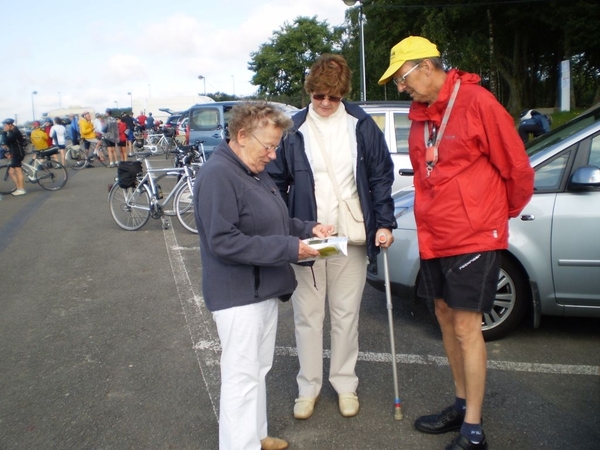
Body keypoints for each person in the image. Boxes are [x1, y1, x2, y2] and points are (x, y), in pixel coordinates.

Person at [378, 36, 535, 450]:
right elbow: (423, 169)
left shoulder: (478, 102)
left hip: (474, 234)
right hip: (436, 234)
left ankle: (474, 428)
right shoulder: (419, 115)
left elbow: (517, 168)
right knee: (444, 315)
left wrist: (494, 218)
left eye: (402, 78)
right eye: (397, 82)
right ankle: (461, 403)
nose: (401, 87)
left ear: (426, 66)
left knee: (467, 326)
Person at [193, 102, 334, 450]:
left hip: (260, 290)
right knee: (241, 378)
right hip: (238, 296)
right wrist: (290, 249)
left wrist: (307, 228)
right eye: (268, 146)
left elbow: (276, 220)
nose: (272, 155)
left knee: (257, 371)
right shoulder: (218, 175)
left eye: (276, 146)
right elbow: (223, 241)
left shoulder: (251, 169)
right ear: (242, 136)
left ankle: (255, 436)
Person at [266, 54, 397, 420]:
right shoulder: (293, 127)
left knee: (345, 315)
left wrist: (384, 222)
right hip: (310, 237)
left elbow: (380, 177)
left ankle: (345, 384)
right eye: (319, 95)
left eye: (333, 97)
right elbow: (274, 182)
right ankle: (308, 386)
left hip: (350, 235)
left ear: (343, 95)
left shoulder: (361, 124)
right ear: (310, 91)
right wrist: (292, 225)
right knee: (308, 315)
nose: (325, 103)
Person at [1, 118, 27, 195]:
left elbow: (6, 141)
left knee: (18, 171)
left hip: (18, 154)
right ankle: (18, 187)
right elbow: (10, 144)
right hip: (15, 153)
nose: (4, 127)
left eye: (5, 125)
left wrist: (4, 133)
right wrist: (9, 152)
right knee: (11, 172)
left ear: (10, 125)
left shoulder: (14, 132)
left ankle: (21, 189)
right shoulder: (13, 131)